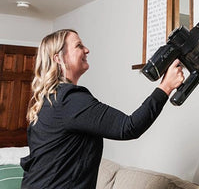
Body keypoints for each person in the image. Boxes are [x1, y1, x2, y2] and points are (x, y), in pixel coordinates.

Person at [20, 29, 184, 189]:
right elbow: (129, 127)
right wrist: (165, 87)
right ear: (58, 58)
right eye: (78, 46)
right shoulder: (69, 100)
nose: (87, 50)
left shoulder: (52, 98)